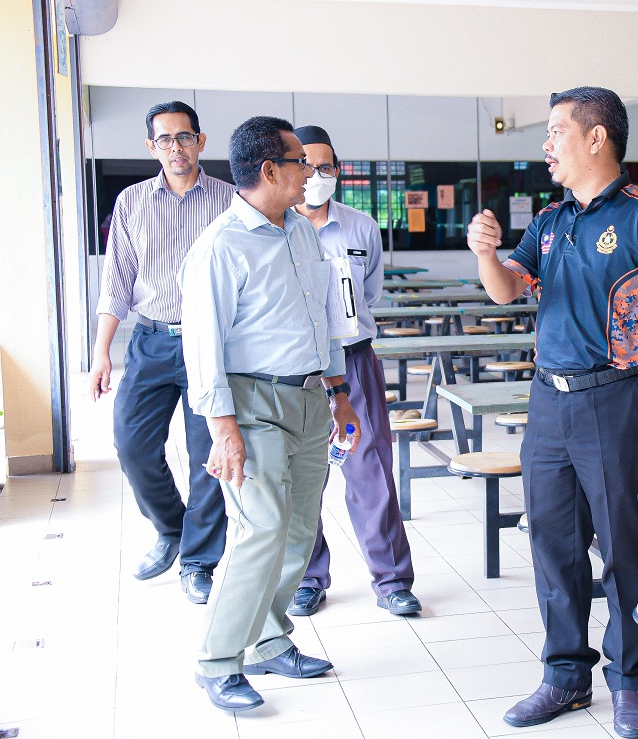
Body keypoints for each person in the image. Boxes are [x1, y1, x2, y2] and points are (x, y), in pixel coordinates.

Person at [466, 87, 638, 739]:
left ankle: (629, 682)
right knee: (553, 544)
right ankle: (565, 675)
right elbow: (507, 290)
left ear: (596, 137)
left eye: (556, 131)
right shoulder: (550, 219)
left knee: (623, 546)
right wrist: (485, 255)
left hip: (616, 397)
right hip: (549, 401)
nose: (546, 145)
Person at [179, 116, 361, 712]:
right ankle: (217, 661)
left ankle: (267, 639)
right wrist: (223, 430)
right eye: (300, 162)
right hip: (250, 405)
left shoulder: (301, 232)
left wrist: (338, 390)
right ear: (268, 170)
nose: (310, 173)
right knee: (260, 528)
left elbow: (323, 316)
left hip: (309, 397)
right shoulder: (221, 245)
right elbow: (203, 346)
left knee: (299, 530)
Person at [88, 100, 232, 604]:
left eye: (185, 136)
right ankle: (171, 528)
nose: (176, 147)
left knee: (206, 455)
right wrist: (101, 352)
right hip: (149, 340)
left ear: (201, 141)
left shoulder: (231, 200)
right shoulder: (131, 202)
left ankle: (198, 559)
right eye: (165, 139)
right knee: (132, 444)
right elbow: (116, 282)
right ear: (152, 146)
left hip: (209, 344)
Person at [289, 124, 421, 617]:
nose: (315, 174)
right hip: (299, 368)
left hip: (354, 360)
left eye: (324, 166)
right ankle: (307, 578)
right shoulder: (278, 228)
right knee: (303, 478)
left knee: (371, 472)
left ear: (338, 171)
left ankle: (392, 581)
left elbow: (368, 295)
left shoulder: (361, 226)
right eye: (305, 165)